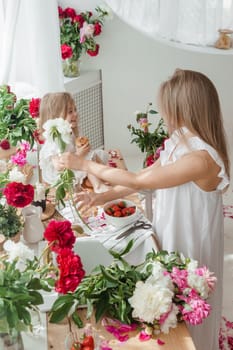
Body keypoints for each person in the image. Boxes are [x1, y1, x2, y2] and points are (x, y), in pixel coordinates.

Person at [58, 69, 230, 350]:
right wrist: (101, 199)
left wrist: (86, 165)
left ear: (182, 109)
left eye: (167, 108)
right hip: (174, 238)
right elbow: (143, 180)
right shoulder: (180, 147)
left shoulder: (201, 158)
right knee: (173, 309)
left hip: (191, 246)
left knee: (191, 314)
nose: (164, 115)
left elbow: (139, 180)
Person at [38, 92, 110, 193]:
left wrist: (82, 149)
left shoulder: (70, 132)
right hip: (64, 173)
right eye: (70, 111)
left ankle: (106, 175)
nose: (75, 114)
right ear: (56, 117)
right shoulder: (54, 141)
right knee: (88, 158)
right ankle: (98, 185)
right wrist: (78, 155)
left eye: (75, 110)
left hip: (74, 162)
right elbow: (59, 166)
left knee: (97, 154)